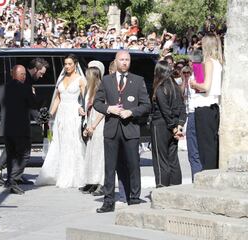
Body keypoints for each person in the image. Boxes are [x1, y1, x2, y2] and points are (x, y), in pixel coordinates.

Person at [94, 50, 151, 213]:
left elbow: (146, 105)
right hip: (112, 128)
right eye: (122, 60)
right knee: (110, 167)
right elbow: (97, 103)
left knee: (133, 164)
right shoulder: (106, 81)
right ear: (116, 61)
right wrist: (108, 108)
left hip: (130, 128)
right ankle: (108, 200)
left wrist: (131, 112)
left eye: (127, 60)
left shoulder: (138, 80)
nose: (125, 62)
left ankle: (134, 198)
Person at [0, 58, 50, 184]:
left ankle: (10, 174)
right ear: (35, 69)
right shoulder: (25, 82)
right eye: (41, 73)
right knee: (21, 150)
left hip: (9, 122)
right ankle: (8, 174)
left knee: (13, 148)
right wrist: (40, 119)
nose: (42, 76)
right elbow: (30, 105)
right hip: (19, 122)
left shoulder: (20, 81)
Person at [35, 54, 86, 188]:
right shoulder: (61, 79)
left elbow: (86, 97)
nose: (67, 66)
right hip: (61, 114)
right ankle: (58, 173)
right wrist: (50, 114)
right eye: (65, 64)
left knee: (72, 142)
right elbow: (57, 98)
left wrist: (82, 108)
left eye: (69, 64)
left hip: (73, 113)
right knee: (59, 141)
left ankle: (73, 175)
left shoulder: (80, 80)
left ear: (75, 64)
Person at [150, 60, 187, 188]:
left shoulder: (160, 88)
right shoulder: (176, 88)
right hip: (175, 125)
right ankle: (176, 185)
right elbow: (183, 109)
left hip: (161, 125)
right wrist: (179, 126)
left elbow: (165, 111)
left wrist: (173, 128)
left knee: (161, 159)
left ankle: (162, 186)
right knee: (173, 158)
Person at [190, 33, 223, 170]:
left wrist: (193, 83)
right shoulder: (218, 62)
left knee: (205, 147)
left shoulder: (209, 62)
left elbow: (205, 86)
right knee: (211, 144)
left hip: (204, 107)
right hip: (213, 107)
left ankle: (209, 175)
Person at [2, 65, 36, 194]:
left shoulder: (3, 88)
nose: (25, 77)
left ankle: (10, 181)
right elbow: (33, 104)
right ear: (20, 75)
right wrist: (33, 94)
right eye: (23, 75)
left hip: (7, 127)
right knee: (24, 154)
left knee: (11, 155)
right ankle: (13, 179)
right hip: (21, 127)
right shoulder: (25, 89)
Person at [79, 61, 105, 195]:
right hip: (91, 122)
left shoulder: (102, 90)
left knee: (100, 154)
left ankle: (101, 182)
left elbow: (102, 111)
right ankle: (92, 181)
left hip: (99, 124)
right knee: (92, 153)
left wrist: (93, 126)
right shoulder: (90, 90)